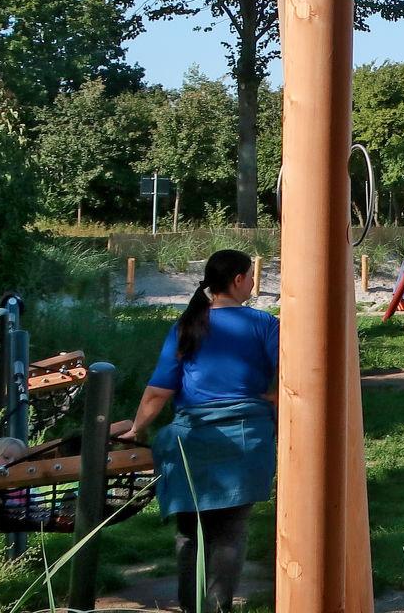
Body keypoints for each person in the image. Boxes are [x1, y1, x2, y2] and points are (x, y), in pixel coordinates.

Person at [125, 249, 277, 613]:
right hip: (245, 439)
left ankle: (192, 608)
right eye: (250, 277)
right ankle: (219, 607)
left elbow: (159, 392)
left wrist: (136, 430)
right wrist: (273, 403)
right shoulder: (265, 324)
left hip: (190, 440)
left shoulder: (187, 325)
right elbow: (289, 380)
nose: (252, 283)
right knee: (229, 534)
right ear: (238, 279)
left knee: (190, 535)